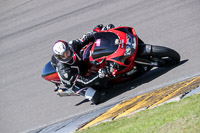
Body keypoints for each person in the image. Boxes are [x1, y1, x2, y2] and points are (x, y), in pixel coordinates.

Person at [51, 24, 115, 104]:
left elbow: (86, 38)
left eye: (67, 52)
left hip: (80, 65)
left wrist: (100, 32)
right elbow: (84, 82)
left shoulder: (73, 45)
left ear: (69, 48)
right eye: (63, 56)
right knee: (96, 97)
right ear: (59, 58)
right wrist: (99, 75)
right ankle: (74, 90)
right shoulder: (64, 71)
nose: (67, 56)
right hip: (74, 81)